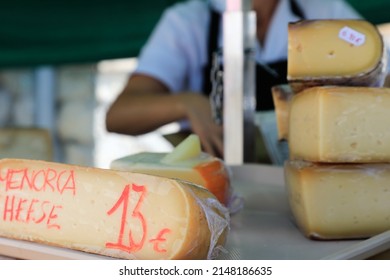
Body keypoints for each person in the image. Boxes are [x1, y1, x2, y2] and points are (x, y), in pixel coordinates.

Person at [105, 0, 362, 160]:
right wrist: (186, 103)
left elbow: (379, 79)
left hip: (308, 180)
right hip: (223, 189)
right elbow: (118, 116)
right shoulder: (188, 22)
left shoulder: (325, 11)